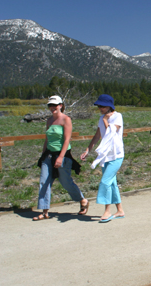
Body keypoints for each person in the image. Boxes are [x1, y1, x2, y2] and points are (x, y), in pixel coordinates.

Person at [34, 96, 88, 221]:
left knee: (65, 182)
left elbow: (67, 139)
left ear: (60, 105)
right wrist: (43, 155)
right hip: (49, 155)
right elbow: (47, 139)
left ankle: (82, 199)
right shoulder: (49, 121)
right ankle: (45, 211)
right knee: (44, 181)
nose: (52, 107)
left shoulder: (66, 119)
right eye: (50, 105)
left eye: (55, 105)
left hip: (62, 155)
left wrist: (61, 157)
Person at [80, 94, 125, 223]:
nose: (100, 108)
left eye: (102, 106)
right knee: (112, 183)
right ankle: (120, 210)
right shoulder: (101, 118)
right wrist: (87, 150)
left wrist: (105, 119)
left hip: (116, 155)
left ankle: (107, 211)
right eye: (98, 106)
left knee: (105, 182)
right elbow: (97, 135)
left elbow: (111, 133)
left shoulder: (118, 116)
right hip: (105, 156)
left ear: (109, 106)